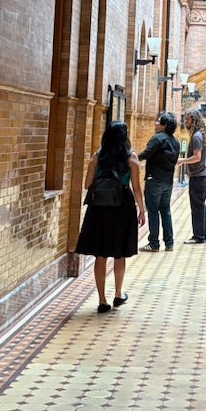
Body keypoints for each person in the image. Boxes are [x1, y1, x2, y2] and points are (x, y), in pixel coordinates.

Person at [74, 121, 145, 313]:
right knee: (119, 252)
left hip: (99, 209)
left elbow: (87, 184)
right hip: (123, 207)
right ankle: (118, 294)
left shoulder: (97, 157)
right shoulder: (131, 158)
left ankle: (102, 300)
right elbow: (137, 188)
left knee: (101, 253)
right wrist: (142, 210)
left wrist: (101, 178)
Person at [138, 111, 180, 252]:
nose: (156, 123)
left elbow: (146, 154)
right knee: (166, 210)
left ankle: (154, 243)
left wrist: (132, 158)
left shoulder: (157, 139)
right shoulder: (176, 142)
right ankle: (169, 242)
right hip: (168, 181)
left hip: (154, 179)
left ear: (165, 125)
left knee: (153, 211)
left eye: (159, 121)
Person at [182, 108, 206, 243]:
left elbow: (197, 157)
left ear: (193, 120)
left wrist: (182, 161)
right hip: (202, 175)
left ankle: (199, 235)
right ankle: (203, 234)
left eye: (187, 119)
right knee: (200, 205)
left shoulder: (197, 136)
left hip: (199, 175)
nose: (185, 122)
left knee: (197, 206)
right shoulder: (201, 134)